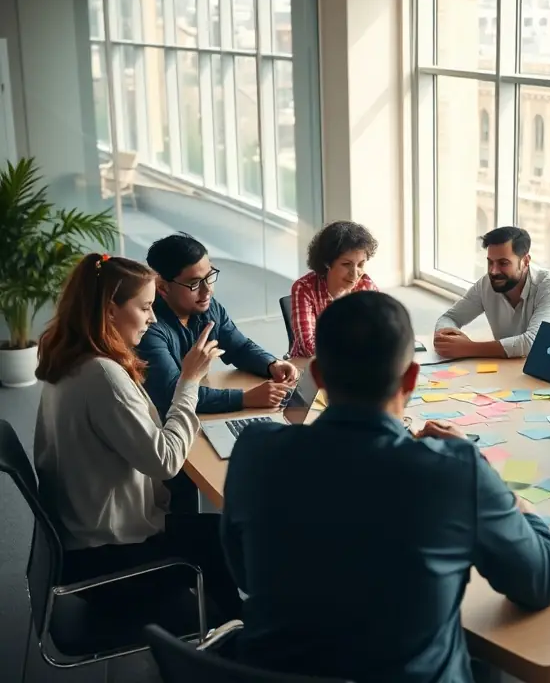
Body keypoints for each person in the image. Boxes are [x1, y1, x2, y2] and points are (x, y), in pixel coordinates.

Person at [221, 292, 550, 682]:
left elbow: (245, 576)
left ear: (317, 375)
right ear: (411, 379)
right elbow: (543, 582)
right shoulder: (454, 472)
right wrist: (496, 484)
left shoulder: (256, 449)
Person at [34, 254, 241, 619]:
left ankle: (238, 632)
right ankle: (239, 642)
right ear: (109, 309)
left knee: (219, 532)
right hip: (107, 563)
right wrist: (188, 380)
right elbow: (164, 461)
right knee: (228, 539)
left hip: (79, 540)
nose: (152, 317)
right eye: (145, 306)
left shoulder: (70, 357)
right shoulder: (101, 375)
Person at [138, 232, 299, 419]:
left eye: (209, 276)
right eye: (195, 283)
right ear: (163, 288)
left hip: (195, 417)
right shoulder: (147, 327)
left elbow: (238, 347)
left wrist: (271, 364)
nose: (207, 291)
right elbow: (172, 393)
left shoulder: (207, 307)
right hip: (159, 425)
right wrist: (245, 398)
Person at [433, 226, 550, 359]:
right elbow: (449, 318)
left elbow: (535, 342)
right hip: (505, 367)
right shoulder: (486, 284)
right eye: (490, 262)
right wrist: (447, 339)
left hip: (548, 366)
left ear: (525, 261)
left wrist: (468, 347)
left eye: (503, 263)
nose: (493, 271)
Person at [289, 220, 379, 358]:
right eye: (346, 264)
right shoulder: (304, 288)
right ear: (327, 263)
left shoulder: (366, 286)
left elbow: (381, 332)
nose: (355, 274)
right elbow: (309, 347)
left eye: (360, 264)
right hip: (310, 366)